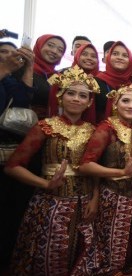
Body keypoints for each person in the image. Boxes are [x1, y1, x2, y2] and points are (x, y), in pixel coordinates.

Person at [4, 66, 100, 275]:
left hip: (84, 202)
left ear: (89, 102)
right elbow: (13, 167)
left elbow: (94, 170)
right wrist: (45, 184)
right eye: (71, 93)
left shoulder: (93, 131)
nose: (76, 99)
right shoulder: (45, 126)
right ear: (60, 96)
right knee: (46, 255)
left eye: (82, 95)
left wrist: (94, 198)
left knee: (79, 254)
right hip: (51, 202)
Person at [79, 84, 132, 274]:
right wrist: (120, 174)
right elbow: (86, 165)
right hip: (112, 194)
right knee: (110, 250)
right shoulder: (106, 127)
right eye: (125, 101)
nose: (131, 106)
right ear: (116, 104)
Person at [0, 41, 35, 266]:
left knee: (10, 207)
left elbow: (24, 99)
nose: (9, 56)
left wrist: (29, 66)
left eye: (15, 54)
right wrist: (5, 69)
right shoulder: (5, 74)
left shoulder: (12, 80)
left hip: (11, 147)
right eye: (3, 52)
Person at [95, 41, 132, 122]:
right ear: (108, 57)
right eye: (115, 54)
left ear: (130, 60)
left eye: (125, 55)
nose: (120, 57)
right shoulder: (96, 82)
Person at [31, 34, 67, 119]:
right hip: (22, 124)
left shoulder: (57, 76)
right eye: (50, 45)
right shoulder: (23, 67)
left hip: (49, 126)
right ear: (39, 46)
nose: (54, 51)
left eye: (60, 50)